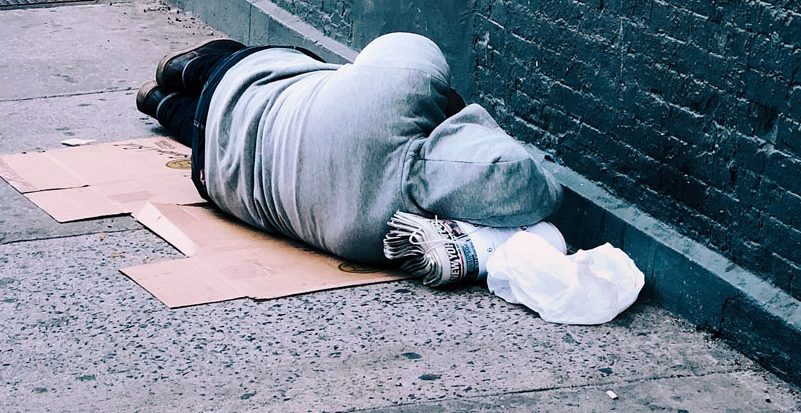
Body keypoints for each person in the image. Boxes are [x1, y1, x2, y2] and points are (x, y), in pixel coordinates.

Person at [136, 33, 563, 272]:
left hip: (247, 82)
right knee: (207, 127)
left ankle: (182, 70)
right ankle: (158, 101)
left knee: (241, 70)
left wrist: (451, 107)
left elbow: (408, 46)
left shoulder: (400, 86)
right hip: (216, 175)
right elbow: (532, 185)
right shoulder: (379, 236)